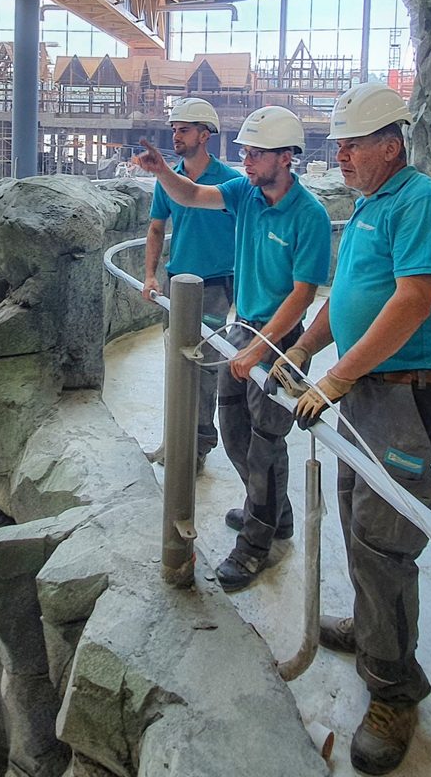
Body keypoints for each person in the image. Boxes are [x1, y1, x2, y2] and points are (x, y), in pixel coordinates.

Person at [277, 82, 431, 775]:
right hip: (366, 392)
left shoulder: (422, 206)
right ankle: (371, 630)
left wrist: (335, 379)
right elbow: (350, 299)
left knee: (386, 540)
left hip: (401, 399)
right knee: (363, 519)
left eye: (350, 145)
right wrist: (304, 349)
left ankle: (394, 691)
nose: (340, 155)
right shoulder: (369, 208)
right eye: (337, 144)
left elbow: (412, 304)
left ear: (391, 146)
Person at [136, 105, 332, 591]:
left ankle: (255, 545)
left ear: (286, 157)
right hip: (242, 328)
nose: (246, 158)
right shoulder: (244, 192)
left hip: (280, 337)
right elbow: (195, 195)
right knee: (233, 429)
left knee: (266, 443)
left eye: (257, 152)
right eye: (245, 150)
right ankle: (273, 513)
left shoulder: (309, 216)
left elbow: (302, 293)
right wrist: (163, 174)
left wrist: (262, 348)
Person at [142, 98, 237, 473]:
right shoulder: (169, 178)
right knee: (177, 365)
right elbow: (155, 227)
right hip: (178, 281)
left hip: (215, 283)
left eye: (183, 129)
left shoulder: (230, 182)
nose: (176, 136)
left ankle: (196, 447)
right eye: (174, 130)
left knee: (205, 366)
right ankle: (174, 441)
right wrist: (151, 275)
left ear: (205, 134)